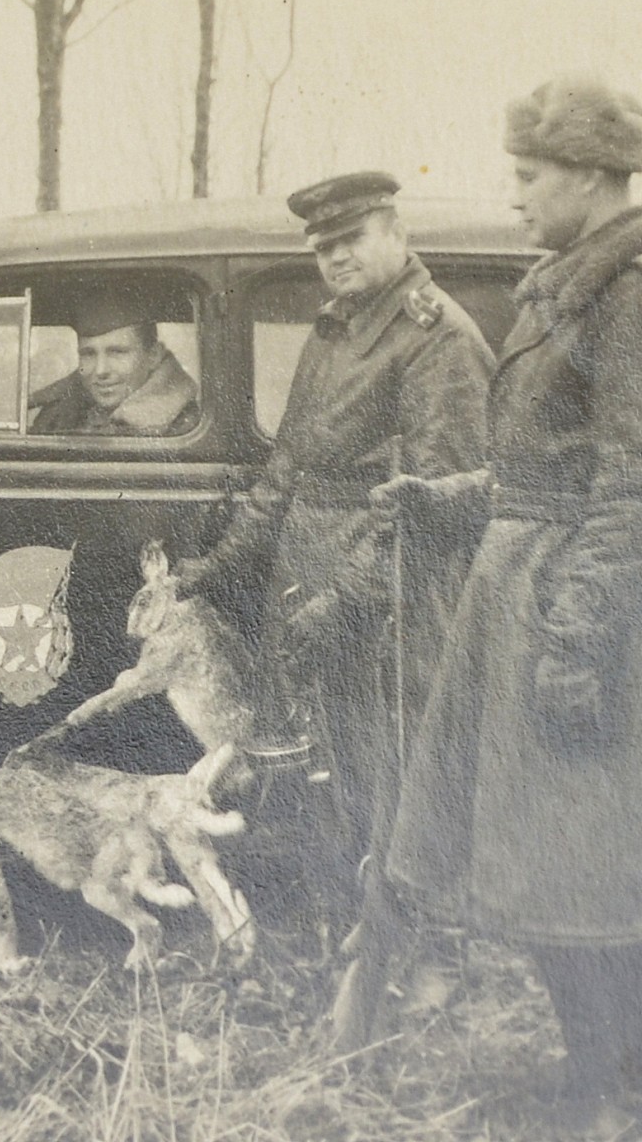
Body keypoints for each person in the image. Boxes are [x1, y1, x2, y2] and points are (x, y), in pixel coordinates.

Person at [378, 77, 642, 1138]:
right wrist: (447, 500)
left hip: (581, 607)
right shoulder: (570, 282)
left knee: (581, 860)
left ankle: (615, 1085)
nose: (517, 196)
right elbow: (542, 465)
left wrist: (579, 644)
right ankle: (601, 1068)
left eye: (530, 177)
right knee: (547, 859)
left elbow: (628, 483)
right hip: (529, 589)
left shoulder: (628, 296)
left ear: (587, 173)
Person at [174, 172, 493, 921]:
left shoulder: (435, 338)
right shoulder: (340, 327)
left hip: (390, 602)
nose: (336, 259)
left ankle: (421, 948)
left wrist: (344, 602)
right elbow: (289, 467)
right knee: (331, 769)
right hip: (313, 587)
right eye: (323, 248)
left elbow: (433, 509)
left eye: (351, 240)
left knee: (399, 774)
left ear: (395, 234)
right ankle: (350, 933)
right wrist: (223, 567)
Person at [29, 290, 199, 435]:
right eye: (88, 354)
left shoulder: (186, 428)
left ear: (153, 356)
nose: (100, 370)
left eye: (117, 352)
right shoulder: (56, 416)